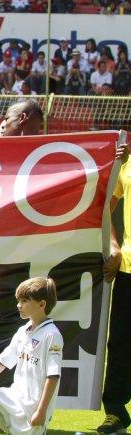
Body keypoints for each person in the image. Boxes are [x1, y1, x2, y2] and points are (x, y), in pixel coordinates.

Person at [0, 277, 63, 435]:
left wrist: (42, 411)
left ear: (41, 304)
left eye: (24, 300)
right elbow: (3, 361)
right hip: (14, 396)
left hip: (33, 405)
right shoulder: (23, 331)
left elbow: (53, 376)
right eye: (18, 300)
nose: (19, 305)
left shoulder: (52, 335)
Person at [98, 152, 131, 433]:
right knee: (120, 344)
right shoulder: (126, 164)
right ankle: (116, 411)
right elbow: (107, 204)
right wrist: (113, 244)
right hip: (129, 268)